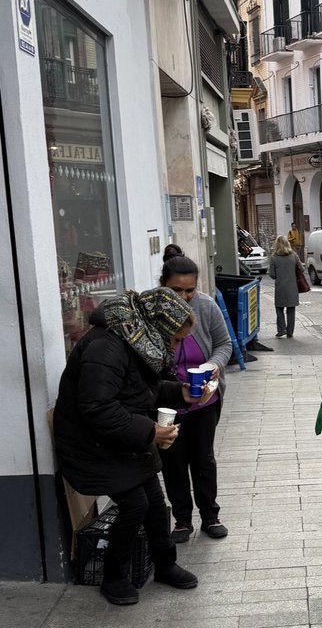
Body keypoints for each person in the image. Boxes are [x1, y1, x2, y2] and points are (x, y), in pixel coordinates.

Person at [53, 288, 206, 606]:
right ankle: (114, 576)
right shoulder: (106, 346)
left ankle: (165, 564)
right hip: (90, 445)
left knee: (153, 498)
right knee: (136, 504)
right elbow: (97, 409)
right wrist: (151, 432)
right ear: (159, 329)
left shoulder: (137, 342)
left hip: (121, 437)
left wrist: (182, 395)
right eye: (175, 340)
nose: (176, 347)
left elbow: (140, 393)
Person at [159, 246, 232, 543]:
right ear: (163, 284)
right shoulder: (153, 311)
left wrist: (214, 365)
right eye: (177, 290)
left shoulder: (206, 306)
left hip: (204, 398)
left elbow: (224, 343)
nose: (185, 296)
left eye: (190, 290)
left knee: (203, 459)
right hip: (167, 401)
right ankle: (182, 521)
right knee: (173, 461)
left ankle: (210, 516)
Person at [269, 235, 303, 337]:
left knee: (279, 308)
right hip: (292, 287)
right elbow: (302, 269)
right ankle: (290, 332)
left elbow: (272, 275)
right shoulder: (294, 255)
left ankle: (281, 329)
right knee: (291, 310)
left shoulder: (274, 258)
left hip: (280, 288)